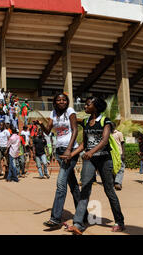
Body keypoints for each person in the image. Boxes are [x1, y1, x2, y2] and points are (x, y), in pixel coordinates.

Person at [66, 96, 125, 234]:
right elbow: (84, 144)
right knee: (85, 189)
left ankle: (120, 221)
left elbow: (104, 140)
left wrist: (91, 152)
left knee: (109, 190)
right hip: (90, 159)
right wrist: (72, 154)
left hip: (105, 159)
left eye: (87, 105)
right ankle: (78, 223)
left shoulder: (105, 121)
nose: (85, 107)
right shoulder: (86, 122)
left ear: (96, 107)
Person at [34, 93, 81, 229]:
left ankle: (55, 218)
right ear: (54, 102)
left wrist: (69, 150)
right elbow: (48, 131)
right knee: (72, 184)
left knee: (61, 184)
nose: (62, 101)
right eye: (59, 100)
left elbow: (75, 129)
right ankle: (82, 213)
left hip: (70, 151)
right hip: (59, 150)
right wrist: (41, 125)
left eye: (64, 100)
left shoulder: (70, 111)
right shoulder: (53, 113)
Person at [111, 123, 125, 190]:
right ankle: (116, 183)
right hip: (111, 154)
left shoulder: (119, 133)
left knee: (120, 168)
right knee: (113, 169)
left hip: (119, 153)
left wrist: (123, 154)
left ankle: (117, 183)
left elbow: (122, 143)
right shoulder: (107, 134)